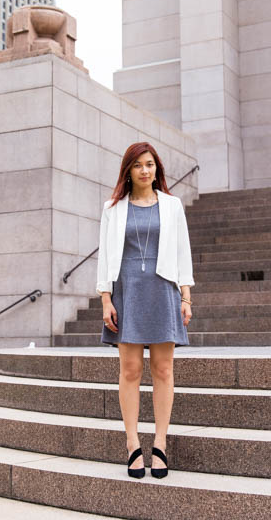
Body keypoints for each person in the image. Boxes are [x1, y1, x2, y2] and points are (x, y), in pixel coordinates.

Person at [96, 142, 195, 479]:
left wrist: (186, 297)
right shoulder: (113, 208)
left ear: (157, 169)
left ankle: (161, 443)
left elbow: (182, 251)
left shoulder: (172, 206)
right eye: (138, 165)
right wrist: (106, 299)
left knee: (163, 369)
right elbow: (104, 257)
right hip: (127, 290)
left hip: (162, 287)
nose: (145, 170)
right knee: (131, 369)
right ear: (128, 170)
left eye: (150, 164)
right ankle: (133, 444)